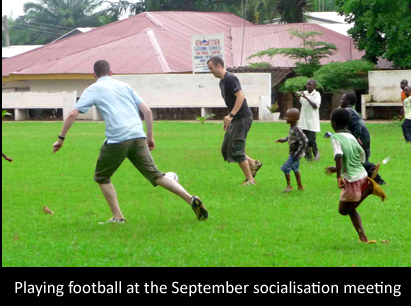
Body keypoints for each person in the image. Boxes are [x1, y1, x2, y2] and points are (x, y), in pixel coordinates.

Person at [52, 60, 208, 223]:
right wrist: (149, 138)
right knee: (155, 175)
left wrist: (61, 139)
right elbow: (147, 111)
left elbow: (72, 114)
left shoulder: (93, 89)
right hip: (137, 135)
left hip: (117, 139)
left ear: (94, 75)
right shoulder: (124, 86)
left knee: (102, 177)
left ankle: (118, 218)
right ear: (111, 73)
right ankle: (190, 198)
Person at [324, 108, 386, 244]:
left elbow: (339, 155)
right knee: (351, 208)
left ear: (333, 123)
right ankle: (363, 237)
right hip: (361, 174)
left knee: (343, 210)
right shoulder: (352, 136)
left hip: (352, 179)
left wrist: (338, 176)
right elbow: (361, 154)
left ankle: (370, 190)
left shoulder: (335, 138)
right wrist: (339, 168)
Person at [207, 56, 261, 186]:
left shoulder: (230, 78)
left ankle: (250, 180)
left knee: (237, 149)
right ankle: (253, 164)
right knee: (226, 149)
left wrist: (231, 115)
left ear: (218, 66)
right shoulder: (222, 82)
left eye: (211, 68)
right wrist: (230, 119)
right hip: (235, 119)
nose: (210, 71)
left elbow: (240, 96)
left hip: (242, 117)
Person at [340, 92, 386, 185]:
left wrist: (356, 138)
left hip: (362, 139)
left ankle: (372, 168)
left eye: (342, 99)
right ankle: (377, 180)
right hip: (363, 137)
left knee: (360, 161)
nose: (340, 101)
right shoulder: (349, 110)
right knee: (360, 160)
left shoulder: (349, 111)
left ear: (348, 101)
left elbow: (358, 125)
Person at [276, 108, 308, 193]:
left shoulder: (297, 128)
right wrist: (282, 140)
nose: (286, 118)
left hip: (295, 153)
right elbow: (290, 136)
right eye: (286, 116)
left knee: (286, 168)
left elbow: (305, 141)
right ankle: (300, 186)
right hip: (293, 152)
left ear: (295, 119)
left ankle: (289, 186)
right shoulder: (292, 127)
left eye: (288, 117)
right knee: (295, 168)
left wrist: (298, 153)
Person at [298, 79, 321, 161]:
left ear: (314, 86)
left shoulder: (317, 94)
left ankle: (316, 154)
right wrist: (299, 96)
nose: (307, 86)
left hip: (312, 122)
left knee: (311, 140)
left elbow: (315, 105)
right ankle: (308, 158)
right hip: (304, 121)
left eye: (310, 85)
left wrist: (306, 97)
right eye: (307, 85)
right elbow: (301, 103)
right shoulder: (304, 93)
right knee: (305, 141)